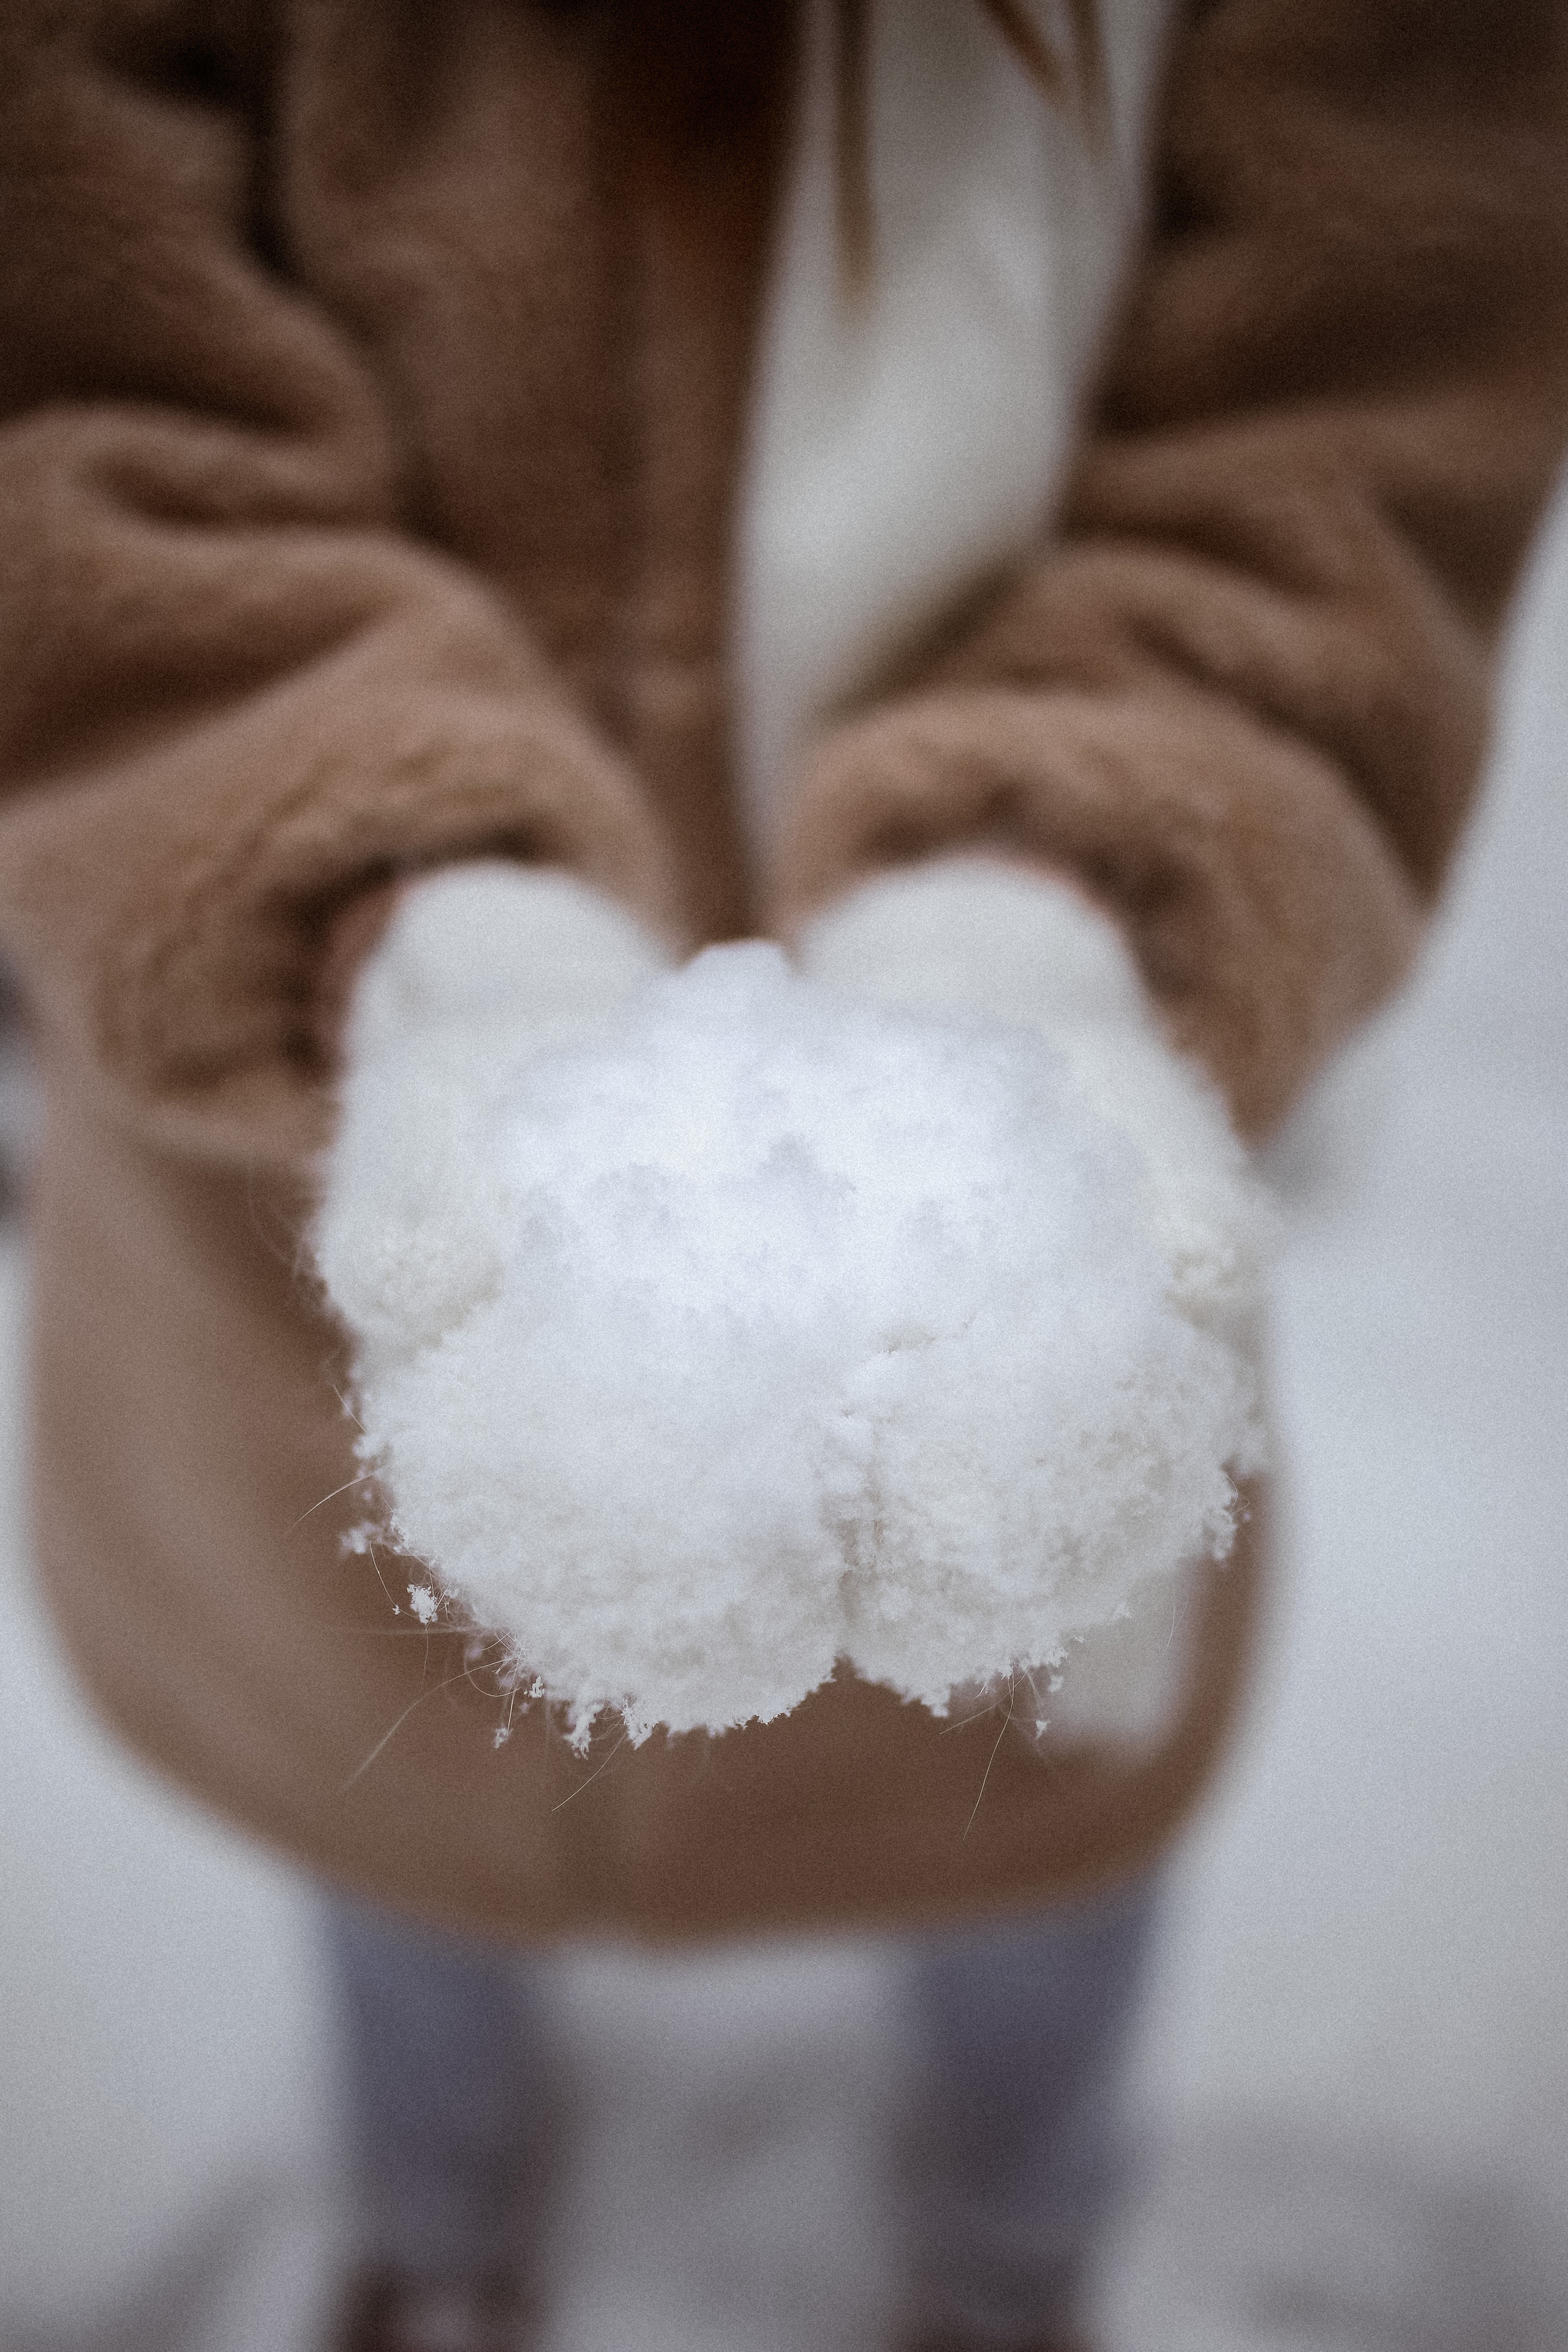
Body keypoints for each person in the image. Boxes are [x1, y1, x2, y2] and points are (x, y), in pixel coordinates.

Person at [2, 3, 1566, 2346]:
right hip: (303, 1205)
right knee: (393, 1792)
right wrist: (385, 915)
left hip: (1035, 1132)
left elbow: (1352, 428)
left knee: (1028, 1826)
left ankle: (1005, 2258)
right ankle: (436, 2240)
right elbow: (79, 404)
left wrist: (1069, 899)